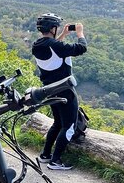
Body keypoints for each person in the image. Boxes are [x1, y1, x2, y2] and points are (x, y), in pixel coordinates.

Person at [32, 13, 87, 171]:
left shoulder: (38, 45)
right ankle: (55, 160)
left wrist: (63, 34)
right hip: (65, 90)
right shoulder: (55, 45)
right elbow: (82, 48)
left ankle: (45, 154)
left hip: (49, 90)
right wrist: (80, 33)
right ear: (53, 28)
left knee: (57, 123)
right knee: (68, 126)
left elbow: (54, 50)